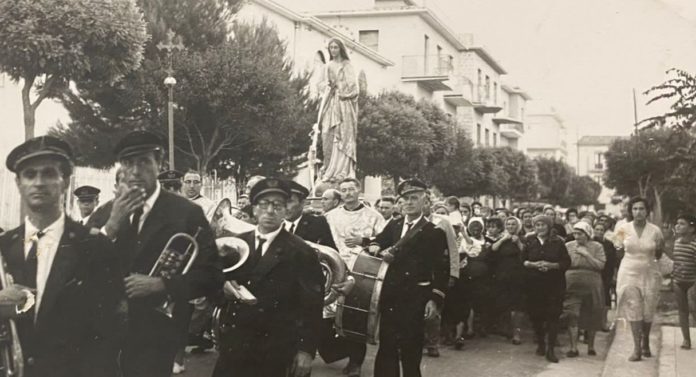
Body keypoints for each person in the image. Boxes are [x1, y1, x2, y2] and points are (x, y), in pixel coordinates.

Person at [101, 131, 223, 377]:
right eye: (128, 163)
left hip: (156, 333)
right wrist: (111, 226)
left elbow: (212, 274)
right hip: (106, 330)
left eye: (144, 161)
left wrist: (162, 284)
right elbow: (79, 267)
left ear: (160, 163)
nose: (135, 171)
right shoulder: (106, 212)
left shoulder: (186, 213)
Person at [0, 136, 123, 377]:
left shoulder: (95, 246)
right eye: (30, 174)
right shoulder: (3, 246)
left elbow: (111, 329)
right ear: (18, 183)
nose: (38, 182)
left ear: (65, 181)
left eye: (48, 173)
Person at [212, 178, 324, 377]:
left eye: (277, 205)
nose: (270, 211)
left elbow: (312, 305)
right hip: (235, 343)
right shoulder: (235, 244)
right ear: (254, 209)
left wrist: (306, 350)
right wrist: (222, 290)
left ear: (285, 211)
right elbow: (214, 283)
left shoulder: (301, 250)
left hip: (276, 347)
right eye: (264, 204)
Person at [367, 179, 448, 377]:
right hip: (391, 295)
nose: (409, 203)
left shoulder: (434, 232)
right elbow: (378, 240)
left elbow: (441, 269)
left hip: (415, 297)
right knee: (387, 346)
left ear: (424, 202)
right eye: (405, 199)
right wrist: (376, 246)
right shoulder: (393, 225)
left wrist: (434, 299)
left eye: (414, 198)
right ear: (400, 203)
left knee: (411, 348)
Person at [324, 177, 384, 375]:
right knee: (326, 315)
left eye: (351, 189)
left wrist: (364, 240)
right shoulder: (330, 216)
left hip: (362, 272)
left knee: (354, 316)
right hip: (334, 270)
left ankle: (355, 362)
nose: (347, 193)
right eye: (344, 190)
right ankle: (332, 352)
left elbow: (384, 242)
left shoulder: (374, 216)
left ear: (359, 191)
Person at [615, 197, 664, 362]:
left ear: (647, 211)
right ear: (631, 211)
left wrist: (656, 253)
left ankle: (646, 342)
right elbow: (617, 250)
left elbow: (659, 253)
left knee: (648, 310)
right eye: (635, 209)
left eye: (641, 209)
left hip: (650, 272)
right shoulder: (623, 228)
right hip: (629, 272)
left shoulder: (655, 230)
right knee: (634, 307)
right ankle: (636, 348)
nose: (638, 212)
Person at [522, 215, 571, 363]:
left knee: (553, 316)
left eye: (543, 225)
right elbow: (522, 260)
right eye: (537, 225)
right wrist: (533, 264)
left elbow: (566, 262)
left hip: (553, 285)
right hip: (534, 285)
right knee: (536, 315)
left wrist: (551, 265)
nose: (540, 228)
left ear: (549, 226)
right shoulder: (529, 241)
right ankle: (541, 343)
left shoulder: (558, 242)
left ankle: (551, 349)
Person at [422, 195, 460, 358]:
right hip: (417, 271)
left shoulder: (442, 222)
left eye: (424, 202)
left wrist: (453, 273)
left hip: (438, 271)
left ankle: (433, 343)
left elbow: (453, 249)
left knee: (434, 309)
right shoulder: (410, 221)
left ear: (429, 204)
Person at [562, 222, 606, 358]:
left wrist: (587, 254)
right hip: (572, 283)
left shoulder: (597, 246)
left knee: (592, 314)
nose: (576, 236)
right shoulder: (568, 246)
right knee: (572, 314)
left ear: (587, 234)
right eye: (575, 233)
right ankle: (573, 348)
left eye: (580, 234)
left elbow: (600, 265)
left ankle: (591, 346)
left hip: (592, 283)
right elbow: (563, 263)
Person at [319, 38, 358, 182]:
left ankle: (342, 170)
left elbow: (353, 87)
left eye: (336, 47)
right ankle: (329, 168)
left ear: (340, 49)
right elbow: (320, 84)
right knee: (327, 133)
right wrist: (327, 87)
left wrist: (342, 91)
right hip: (331, 102)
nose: (333, 50)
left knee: (343, 134)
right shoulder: (327, 66)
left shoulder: (347, 65)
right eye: (331, 48)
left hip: (344, 104)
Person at [490, 216, 526, 345]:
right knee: (504, 303)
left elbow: (526, 253)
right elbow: (493, 249)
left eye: (513, 225)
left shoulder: (522, 239)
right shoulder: (502, 239)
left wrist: (518, 243)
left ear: (518, 226)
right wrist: (504, 239)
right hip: (503, 275)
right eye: (508, 224)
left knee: (517, 305)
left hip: (517, 276)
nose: (511, 227)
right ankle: (506, 330)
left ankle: (517, 333)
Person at [669, 214, 696, 349]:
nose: (678, 226)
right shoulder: (676, 243)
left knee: (694, 309)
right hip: (678, 281)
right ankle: (686, 339)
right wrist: (672, 278)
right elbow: (676, 263)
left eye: (682, 224)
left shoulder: (694, 245)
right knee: (682, 311)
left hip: (692, 282)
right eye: (677, 223)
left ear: (691, 229)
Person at [285, 181, 337, 249]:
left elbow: (330, 253)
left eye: (289, 201)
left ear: (302, 203)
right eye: (281, 202)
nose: (284, 207)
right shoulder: (274, 224)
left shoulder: (317, 224)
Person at [593, 221, 618, 332]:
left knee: (606, 298)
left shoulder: (609, 244)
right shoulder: (590, 243)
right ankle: (593, 323)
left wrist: (614, 275)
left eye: (601, 230)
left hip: (606, 274)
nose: (599, 232)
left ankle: (603, 322)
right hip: (594, 273)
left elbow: (613, 261)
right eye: (597, 229)